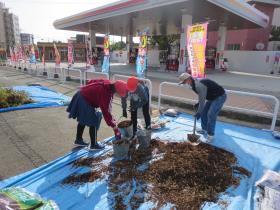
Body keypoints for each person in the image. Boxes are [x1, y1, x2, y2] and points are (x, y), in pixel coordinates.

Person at [67, 79, 127, 150]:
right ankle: (94, 145)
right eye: (118, 92)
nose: (118, 94)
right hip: (84, 99)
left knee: (82, 120)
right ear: (116, 89)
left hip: (81, 94)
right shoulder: (106, 93)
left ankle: (79, 140)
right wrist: (114, 126)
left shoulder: (107, 83)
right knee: (94, 121)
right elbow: (106, 111)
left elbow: (91, 81)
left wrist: (90, 91)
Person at [178, 73, 226, 142]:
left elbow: (202, 101)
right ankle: (204, 129)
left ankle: (210, 135)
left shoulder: (198, 85)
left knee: (211, 114)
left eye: (184, 82)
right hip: (212, 97)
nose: (184, 84)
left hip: (219, 97)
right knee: (204, 111)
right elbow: (202, 97)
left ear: (188, 79)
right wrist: (198, 104)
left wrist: (198, 112)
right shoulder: (193, 85)